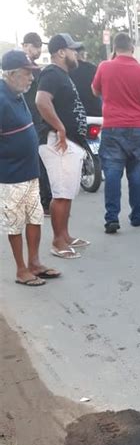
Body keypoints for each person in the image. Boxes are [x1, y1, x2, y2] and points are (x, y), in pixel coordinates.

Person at [91, 32, 140, 233]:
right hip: (138, 128)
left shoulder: (104, 67)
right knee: (137, 173)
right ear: (132, 48)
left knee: (112, 173)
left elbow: (95, 91)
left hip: (113, 128)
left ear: (114, 49)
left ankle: (112, 218)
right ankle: (137, 216)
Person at [0, 50, 60, 285]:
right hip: (10, 176)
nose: (31, 78)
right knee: (14, 223)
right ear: (12, 74)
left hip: (30, 172)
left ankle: (34, 262)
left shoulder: (18, 94)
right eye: (27, 73)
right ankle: (21, 269)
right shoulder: (1, 99)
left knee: (34, 218)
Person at [36, 33, 88, 258]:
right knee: (61, 193)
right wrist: (60, 127)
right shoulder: (52, 73)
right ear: (60, 52)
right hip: (57, 141)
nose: (76, 54)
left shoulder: (62, 75)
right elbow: (41, 101)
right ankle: (58, 242)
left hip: (68, 142)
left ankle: (65, 235)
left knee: (67, 192)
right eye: (72, 49)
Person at [22, 32, 52, 215]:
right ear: (25, 45)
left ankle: (45, 200)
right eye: (34, 45)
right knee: (37, 162)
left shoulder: (35, 69)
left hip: (36, 121)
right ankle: (44, 201)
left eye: (40, 46)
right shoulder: (24, 68)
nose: (38, 50)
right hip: (27, 121)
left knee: (39, 161)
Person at [69, 46, 102, 117]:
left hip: (74, 114)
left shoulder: (67, 70)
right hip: (95, 112)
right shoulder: (93, 68)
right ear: (83, 55)